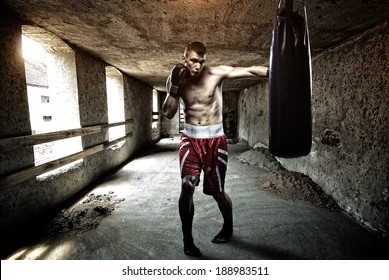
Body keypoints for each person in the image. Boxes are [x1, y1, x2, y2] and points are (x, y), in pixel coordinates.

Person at [162, 41, 268, 257]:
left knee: (218, 193)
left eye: (202, 61)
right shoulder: (176, 79)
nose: (198, 66)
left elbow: (248, 69)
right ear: (184, 59)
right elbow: (168, 113)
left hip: (215, 141)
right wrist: (174, 88)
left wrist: (274, 71)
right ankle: (188, 241)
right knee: (187, 185)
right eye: (193, 61)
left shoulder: (215, 74)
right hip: (190, 138)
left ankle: (228, 227)